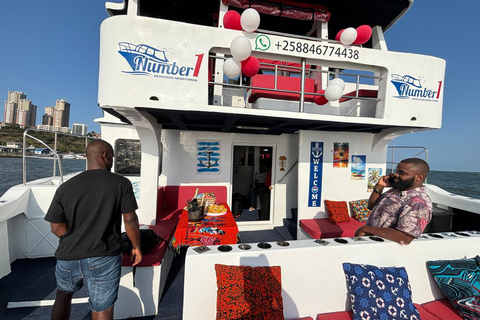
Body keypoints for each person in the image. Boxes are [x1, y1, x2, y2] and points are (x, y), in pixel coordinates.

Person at [45, 139, 142, 320]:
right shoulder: (121, 183)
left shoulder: (65, 187)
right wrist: (136, 246)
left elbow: (56, 227)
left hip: (68, 255)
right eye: (112, 157)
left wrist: (75, 239)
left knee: (63, 295)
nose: (113, 162)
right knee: (102, 308)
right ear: (104, 156)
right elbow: (129, 218)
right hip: (103, 256)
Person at [355, 158, 432, 245]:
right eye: (397, 171)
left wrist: (365, 229)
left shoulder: (418, 201)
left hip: (384, 249)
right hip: (371, 243)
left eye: (401, 173)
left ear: (419, 177)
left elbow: (404, 237)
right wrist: (379, 186)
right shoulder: (395, 191)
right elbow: (372, 206)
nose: (395, 175)